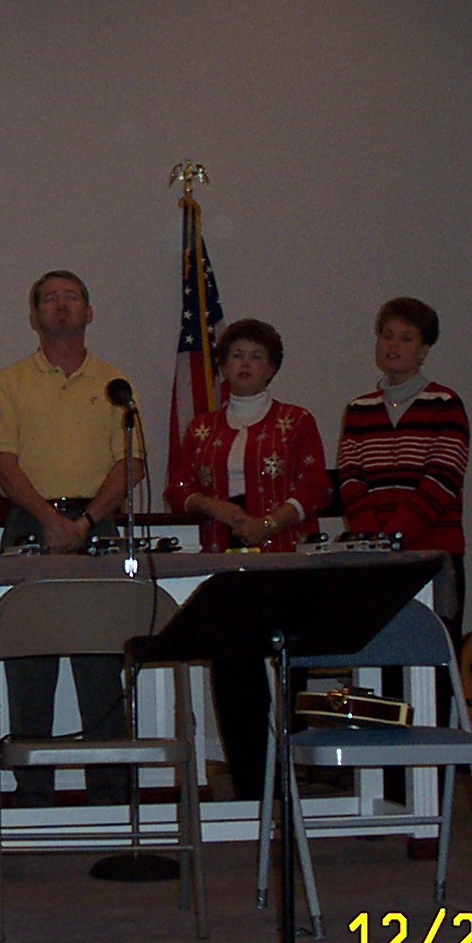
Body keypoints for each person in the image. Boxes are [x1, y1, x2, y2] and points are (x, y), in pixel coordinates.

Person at [0, 270, 142, 806]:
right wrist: (48, 518)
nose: (61, 305)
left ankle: (112, 797)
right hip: (29, 526)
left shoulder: (114, 383)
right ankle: (32, 798)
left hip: (100, 527)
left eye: (71, 297)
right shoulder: (9, 381)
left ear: (89, 313)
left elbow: (131, 464)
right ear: (34, 316)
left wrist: (85, 522)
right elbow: (4, 464)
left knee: (103, 664)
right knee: (29, 664)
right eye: (49, 299)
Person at [167, 318, 332, 799]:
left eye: (256, 356)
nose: (245, 364)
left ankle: (290, 784)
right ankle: (250, 789)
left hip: (284, 563)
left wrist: (271, 523)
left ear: (272, 368)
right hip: (226, 568)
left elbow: (316, 487)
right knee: (235, 675)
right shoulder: (201, 428)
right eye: (236, 355)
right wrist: (213, 506)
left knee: (288, 672)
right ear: (222, 365)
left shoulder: (296, 422)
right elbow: (178, 489)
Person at [335, 296, 469, 632]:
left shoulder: (445, 404)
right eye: (387, 336)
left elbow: (443, 479)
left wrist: (393, 537)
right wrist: (374, 543)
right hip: (374, 561)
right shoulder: (359, 409)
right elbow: (350, 480)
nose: (393, 345)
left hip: (433, 557)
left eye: (406, 338)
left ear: (424, 350)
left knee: (434, 654)